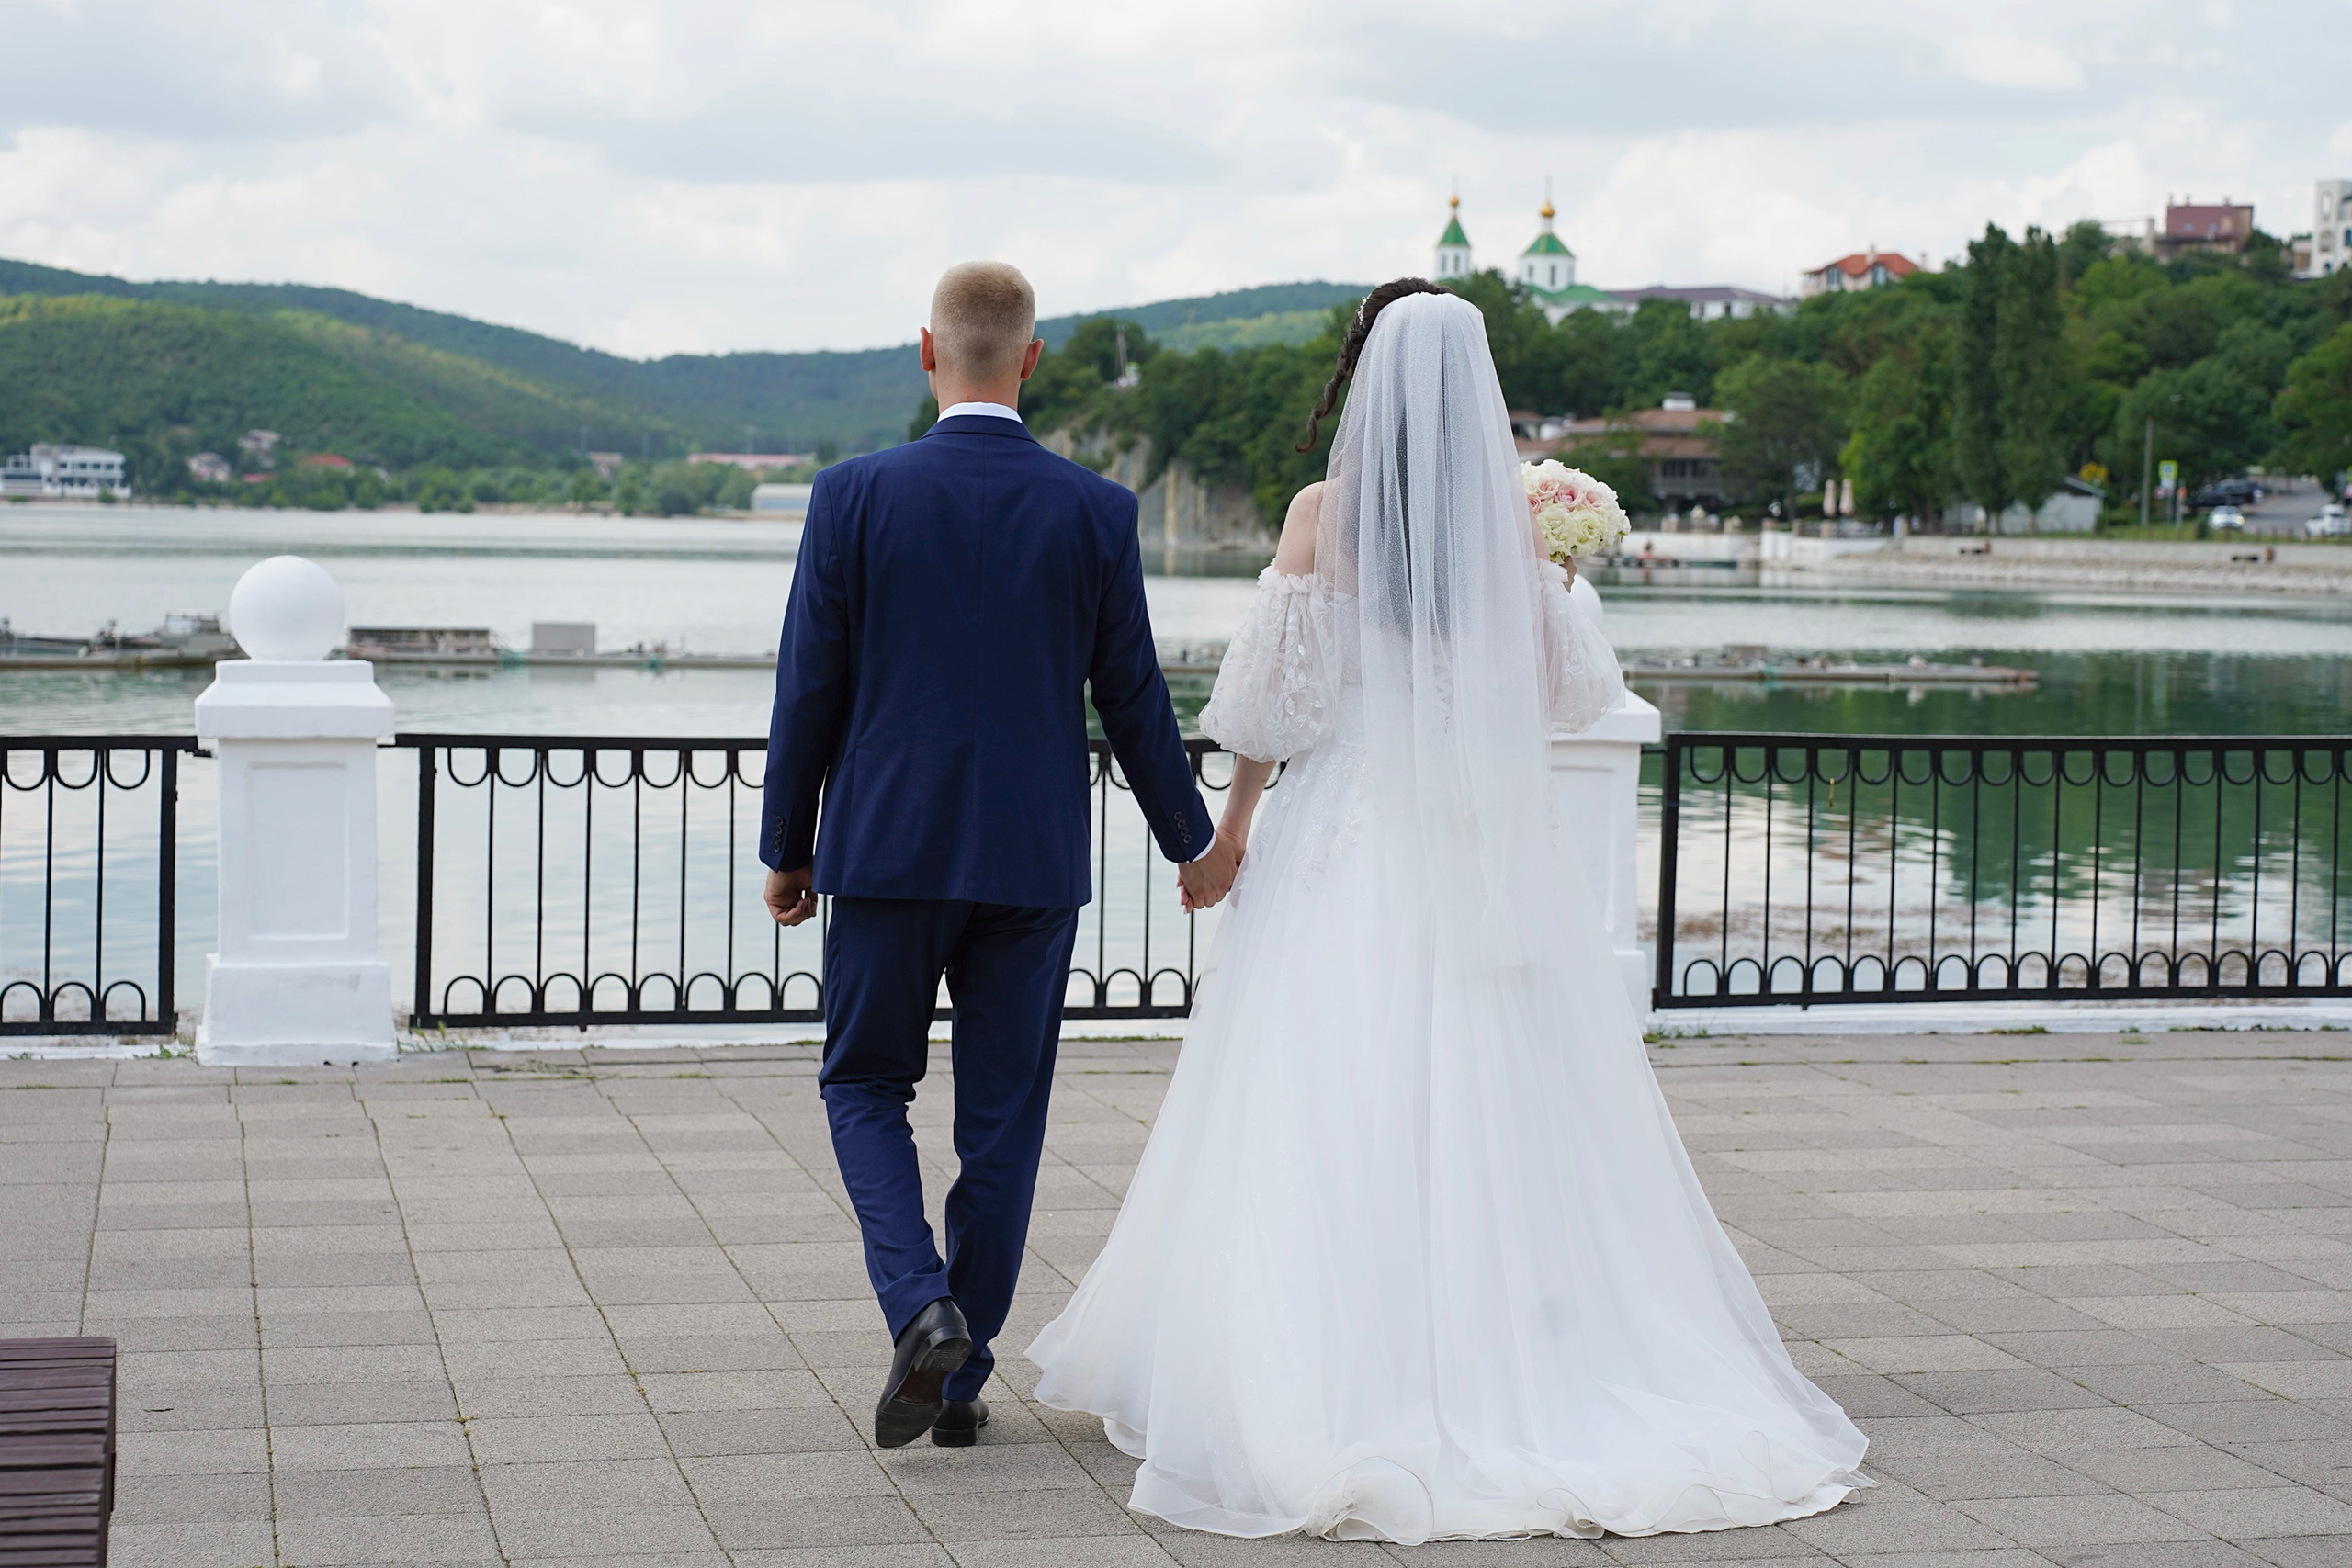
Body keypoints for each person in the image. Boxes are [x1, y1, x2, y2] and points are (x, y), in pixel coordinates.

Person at [1027, 282, 1871, 1541]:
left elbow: (1271, 708)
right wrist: (1544, 586)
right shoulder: (1508, 530)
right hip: (1472, 841)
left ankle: (1316, 1362)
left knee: (1321, 1090)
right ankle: (1509, 1352)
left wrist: (1232, 831)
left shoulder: (1323, 516)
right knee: (1498, 1088)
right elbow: (1567, 699)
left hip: (1347, 832)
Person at [759, 261, 1241, 1450]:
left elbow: (809, 686)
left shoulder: (850, 496)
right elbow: (1133, 697)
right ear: (1031, 360)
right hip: (1031, 860)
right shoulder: (1097, 510)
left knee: (863, 1086)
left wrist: (787, 847)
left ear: (928, 351)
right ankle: (958, 1371)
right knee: (1003, 1125)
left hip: (884, 850)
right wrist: (1193, 842)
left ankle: (920, 1309)